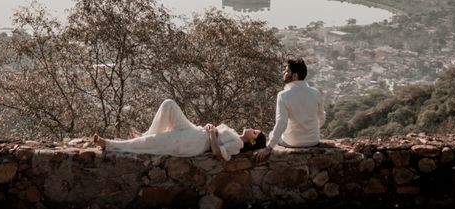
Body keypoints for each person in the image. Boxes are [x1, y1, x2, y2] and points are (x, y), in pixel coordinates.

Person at [92, 99, 266, 160]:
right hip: (196, 131)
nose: (252, 129)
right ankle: (148, 133)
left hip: (196, 142)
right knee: (169, 105)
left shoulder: (237, 144)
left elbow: (217, 154)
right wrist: (209, 128)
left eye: (255, 133)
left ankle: (108, 144)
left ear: (252, 141)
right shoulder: (235, 134)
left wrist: (212, 133)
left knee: (151, 143)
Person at [254, 57, 325, 161]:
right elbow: (321, 118)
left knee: (270, 135)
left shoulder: (284, 95)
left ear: (295, 75)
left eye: (287, 71)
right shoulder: (315, 92)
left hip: (293, 142)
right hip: (314, 140)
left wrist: (268, 148)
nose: (284, 72)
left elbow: (281, 123)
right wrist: (309, 130)